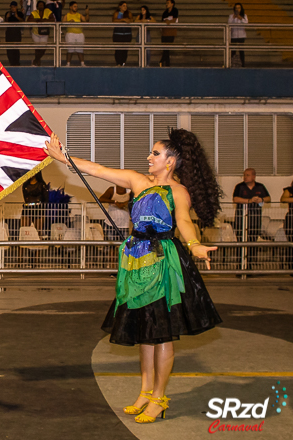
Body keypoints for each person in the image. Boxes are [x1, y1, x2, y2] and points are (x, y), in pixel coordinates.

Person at [44, 128, 223, 423]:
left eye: (155, 153)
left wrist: (195, 245)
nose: (149, 157)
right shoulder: (137, 181)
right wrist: (64, 157)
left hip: (163, 263)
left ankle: (159, 398)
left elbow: (183, 222)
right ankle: (144, 392)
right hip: (135, 262)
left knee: (162, 335)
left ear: (171, 161)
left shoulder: (178, 192)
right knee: (145, 332)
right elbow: (97, 170)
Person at [232, 168, 270, 269]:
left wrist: (260, 199)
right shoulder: (239, 187)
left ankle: (249, 265)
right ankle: (240, 266)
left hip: (255, 220)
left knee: (252, 242)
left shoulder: (260, 187)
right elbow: (235, 199)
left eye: (247, 175)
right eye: (244, 175)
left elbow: (268, 198)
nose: (245, 177)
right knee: (241, 242)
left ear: (253, 176)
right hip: (241, 221)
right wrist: (249, 200)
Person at [27, 0, 54, 66]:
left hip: (45, 33)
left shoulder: (48, 12)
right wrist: (36, 20)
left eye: (42, 5)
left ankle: (35, 60)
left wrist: (43, 20)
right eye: (39, 5)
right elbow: (29, 20)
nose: (41, 6)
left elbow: (53, 20)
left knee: (43, 48)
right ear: (37, 6)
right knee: (37, 48)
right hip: (35, 32)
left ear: (44, 6)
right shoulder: (34, 12)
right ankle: (38, 62)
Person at [22, 170, 48, 235]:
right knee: (24, 230)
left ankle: (39, 244)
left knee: (38, 231)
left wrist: (42, 207)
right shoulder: (25, 184)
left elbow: (46, 198)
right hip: (27, 209)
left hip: (38, 209)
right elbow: (25, 197)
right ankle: (24, 244)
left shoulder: (41, 184)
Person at [63, 1, 88, 66]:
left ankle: (82, 63)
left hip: (79, 34)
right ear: (70, 7)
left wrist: (87, 13)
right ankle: (68, 64)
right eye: (74, 6)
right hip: (70, 34)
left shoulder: (79, 15)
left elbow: (86, 20)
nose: (76, 8)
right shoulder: (67, 15)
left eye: (76, 6)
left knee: (80, 50)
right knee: (70, 50)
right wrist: (69, 22)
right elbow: (62, 24)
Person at [112, 1, 132, 66]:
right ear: (120, 6)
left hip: (127, 34)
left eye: (126, 6)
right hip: (118, 34)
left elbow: (131, 20)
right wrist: (123, 20)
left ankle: (123, 63)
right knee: (118, 50)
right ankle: (118, 63)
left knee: (125, 50)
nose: (125, 7)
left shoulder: (129, 13)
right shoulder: (116, 13)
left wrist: (127, 20)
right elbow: (114, 21)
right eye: (123, 6)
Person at [4, 1, 24, 66]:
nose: (13, 8)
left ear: (16, 7)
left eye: (14, 7)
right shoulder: (8, 13)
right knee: (9, 49)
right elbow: (5, 23)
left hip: (17, 33)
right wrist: (7, 17)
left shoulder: (20, 13)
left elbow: (23, 21)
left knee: (16, 48)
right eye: (11, 7)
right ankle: (11, 63)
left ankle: (17, 63)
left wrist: (16, 16)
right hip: (9, 33)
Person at [159, 0, 178, 67]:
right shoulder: (165, 12)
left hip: (171, 33)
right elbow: (162, 21)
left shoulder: (175, 11)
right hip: (164, 33)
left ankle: (162, 61)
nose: (167, 4)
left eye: (168, 3)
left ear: (172, 4)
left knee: (167, 48)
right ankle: (167, 64)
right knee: (165, 49)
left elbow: (174, 20)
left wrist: (168, 21)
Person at [228, 3, 247, 68]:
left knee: (241, 50)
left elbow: (246, 23)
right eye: (236, 8)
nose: (237, 9)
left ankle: (243, 64)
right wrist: (233, 18)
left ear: (241, 9)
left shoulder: (244, 15)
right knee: (233, 50)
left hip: (242, 35)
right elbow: (229, 23)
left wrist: (240, 18)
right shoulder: (231, 16)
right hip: (234, 35)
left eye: (239, 8)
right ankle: (231, 64)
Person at [281, 181, 293, 273]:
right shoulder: (289, 190)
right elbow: (283, 199)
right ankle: (290, 265)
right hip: (291, 219)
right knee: (291, 242)